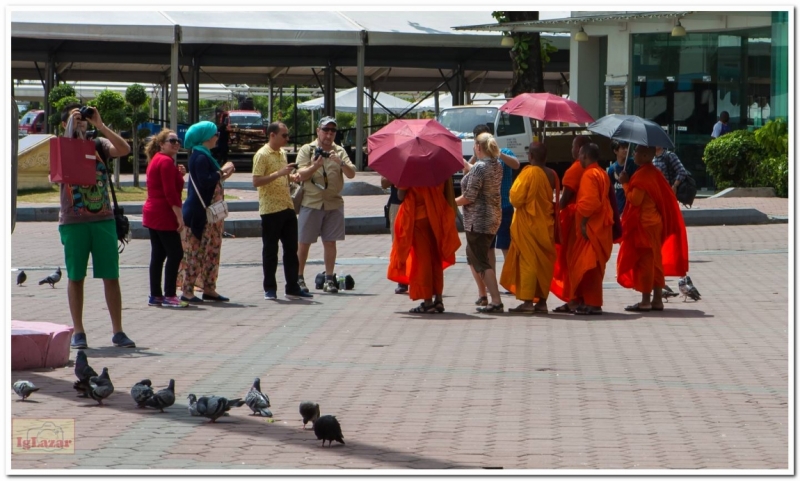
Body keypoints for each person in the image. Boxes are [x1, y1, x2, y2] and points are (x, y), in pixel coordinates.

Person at [57, 102, 135, 349]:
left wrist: (99, 125)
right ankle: (79, 331)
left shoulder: (98, 145)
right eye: (75, 118)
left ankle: (118, 330)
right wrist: (71, 126)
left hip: (103, 220)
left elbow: (124, 149)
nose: (81, 121)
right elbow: (57, 168)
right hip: (74, 221)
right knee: (75, 276)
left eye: (82, 118)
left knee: (111, 276)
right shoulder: (60, 147)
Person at [617, 145, 689, 311]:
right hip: (655, 224)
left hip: (645, 225)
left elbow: (635, 200)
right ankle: (657, 299)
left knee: (645, 263)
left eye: (636, 152)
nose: (633, 154)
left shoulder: (643, 176)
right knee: (656, 261)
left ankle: (645, 301)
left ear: (644, 155)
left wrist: (625, 184)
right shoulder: (655, 173)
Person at [294, 116, 356, 294]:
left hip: (333, 203)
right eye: (325, 130)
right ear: (317, 131)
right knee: (304, 242)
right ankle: (299, 278)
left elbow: (352, 174)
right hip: (311, 202)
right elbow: (300, 175)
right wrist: (314, 166)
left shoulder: (340, 151)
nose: (329, 134)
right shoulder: (308, 149)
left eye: (332, 131)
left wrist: (341, 162)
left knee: (330, 242)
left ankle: (329, 279)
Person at [252, 122, 313, 301]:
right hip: (270, 208)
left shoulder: (282, 153)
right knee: (270, 250)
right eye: (284, 135)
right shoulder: (262, 154)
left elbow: (285, 176)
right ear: (272, 135)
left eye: (287, 135)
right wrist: (279, 173)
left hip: (287, 206)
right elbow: (256, 181)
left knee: (291, 250)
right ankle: (269, 288)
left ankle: (292, 286)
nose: (287, 139)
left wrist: (293, 176)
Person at [179, 121, 236, 303]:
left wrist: (222, 174)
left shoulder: (205, 155)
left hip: (211, 216)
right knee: (195, 252)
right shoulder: (200, 157)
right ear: (205, 137)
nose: (217, 137)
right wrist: (222, 172)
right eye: (214, 134)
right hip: (200, 215)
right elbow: (205, 181)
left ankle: (209, 287)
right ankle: (188, 290)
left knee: (212, 250)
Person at [500, 142, 558, 313]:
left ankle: (527, 302)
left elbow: (516, 199)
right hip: (545, 226)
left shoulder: (530, 173)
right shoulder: (552, 174)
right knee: (543, 264)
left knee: (529, 262)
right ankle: (542, 302)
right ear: (546, 157)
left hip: (529, 226)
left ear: (530, 157)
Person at [387, 179, 461, 313]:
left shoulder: (412, 169)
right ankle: (438, 299)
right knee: (435, 259)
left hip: (418, 218)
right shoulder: (438, 170)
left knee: (423, 260)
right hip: (437, 217)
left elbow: (400, 196)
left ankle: (427, 301)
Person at [465, 124, 520, 306]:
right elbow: (470, 171)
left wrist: (496, 153)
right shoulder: (488, 163)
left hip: (493, 212)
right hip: (492, 213)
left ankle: (502, 290)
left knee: (498, 250)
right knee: (485, 253)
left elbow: (516, 164)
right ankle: (490, 288)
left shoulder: (495, 159)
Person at [456, 132, 505, 313]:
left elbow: (469, 196)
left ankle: (496, 300)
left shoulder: (480, 168)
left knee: (480, 260)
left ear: (478, 147)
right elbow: (478, 174)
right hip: (492, 217)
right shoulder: (496, 164)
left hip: (478, 220)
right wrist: (465, 164)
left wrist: (448, 202)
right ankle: (488, 296)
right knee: (474, 255)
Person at [142, 130, 188, 308]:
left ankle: (156, 295)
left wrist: (180, 175)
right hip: (163, 213)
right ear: (161, 144)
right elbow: (170, 193)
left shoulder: (158, 160)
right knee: (176, 253)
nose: (176, 144)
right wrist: (179, 217)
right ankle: (169, 295)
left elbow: (168, 186)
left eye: (178, 141)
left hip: (153, 212)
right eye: (172, 141)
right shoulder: (166, 162)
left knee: (158, 255)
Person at [568, 143, 614, 315]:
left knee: (589, 267)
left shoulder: (589, 175)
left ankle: (594, 304)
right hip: (601, 226)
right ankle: (588, 301)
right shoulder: (602, 173)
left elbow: (591, 202)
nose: (578, 158)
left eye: (580, 155)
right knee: (590, 267)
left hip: (591, 228)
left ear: (586, 156)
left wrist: (583, 222)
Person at [550, 135, 591, 313]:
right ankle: (580, 296)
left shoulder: (575, 170)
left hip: (574, 221)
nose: (571, 149)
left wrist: (554, 208)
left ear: (580, 149)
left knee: (571, 261)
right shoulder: (592, 170)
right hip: (584, 221)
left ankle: (574, 298)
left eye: (574, 146)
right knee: (579, 261)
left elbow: (565, 200)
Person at [381, 176, 408, 294]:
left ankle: (421, 279)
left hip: (418, 203)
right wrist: (399, 174)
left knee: (420, 244)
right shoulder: (394, 160)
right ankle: (402, 280)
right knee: (398, 244)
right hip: (397, 204)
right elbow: (384, 183)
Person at [607, 140, 633, 214]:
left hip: (631, 204)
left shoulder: (633, 164)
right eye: (623, 148)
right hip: (619, 206)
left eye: (627, 147)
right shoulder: (612, 169)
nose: (626, 150)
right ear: (615, 151)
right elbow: (611, 190)